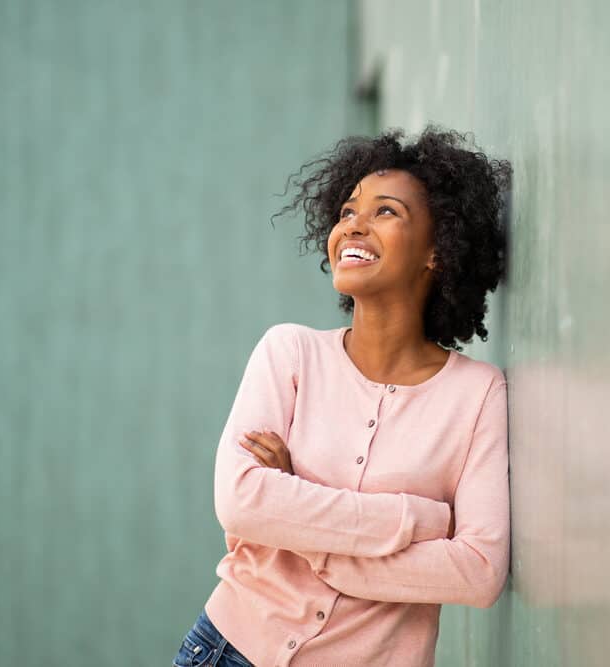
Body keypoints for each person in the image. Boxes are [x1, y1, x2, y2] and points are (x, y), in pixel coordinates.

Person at [170, 126, 513, 667]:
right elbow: (240, 501)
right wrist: (421, 520)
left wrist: (305, 530)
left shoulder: (477, 395)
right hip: (227, 649)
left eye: (386, 212)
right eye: (348, 210)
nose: (353, 224)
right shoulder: (290, 354)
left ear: (436, 251)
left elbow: (478, 570)